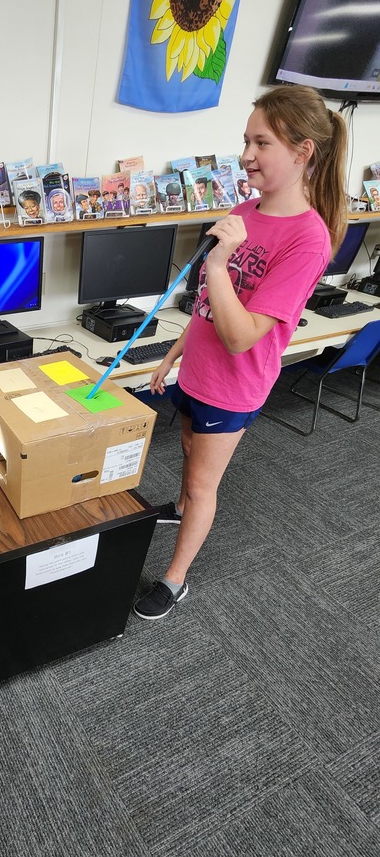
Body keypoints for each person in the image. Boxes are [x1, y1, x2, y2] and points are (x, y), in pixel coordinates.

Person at [133, 84, 347, 622]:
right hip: (196, 371)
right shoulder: (244, 209)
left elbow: (240, 334)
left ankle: (175, 580)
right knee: (186, 449)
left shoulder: (308, 238)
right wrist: (171, 356)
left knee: (205, 483)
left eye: (261, 143)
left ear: (303, 153)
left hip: (234, 385)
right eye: (244, 141)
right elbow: (208, 307)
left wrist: (218, 260)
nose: (245, 155)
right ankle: (179, 507)